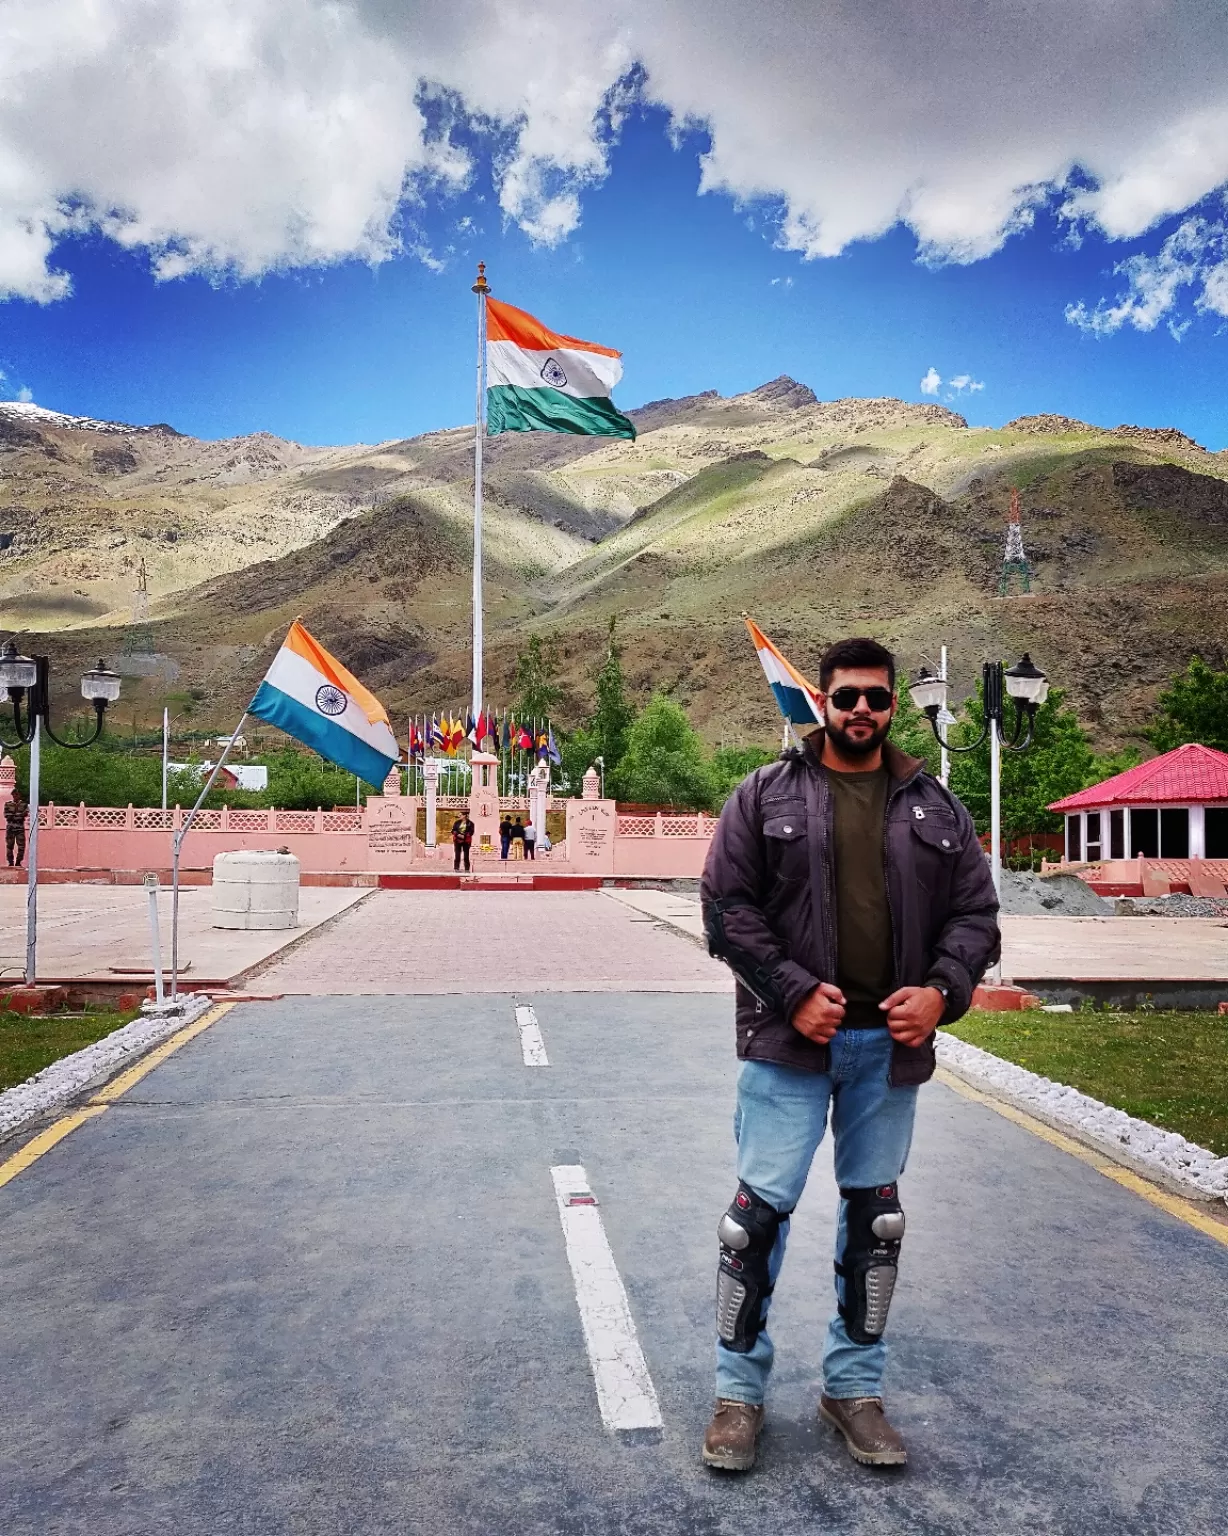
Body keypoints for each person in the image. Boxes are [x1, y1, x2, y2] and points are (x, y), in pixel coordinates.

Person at [699, 636, 1000, 1474]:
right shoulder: (763, 795)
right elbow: (726, 910)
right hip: (788, 1047)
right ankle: (737, 1396)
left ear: (892, 705)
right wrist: (792, 989)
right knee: (751, 1222)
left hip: (887, 1053)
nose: (860, 710)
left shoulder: (935, 806)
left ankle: (853, 1390)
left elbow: (977, 917)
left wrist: (943, 991)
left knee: (877, 1222)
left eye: (875, 697)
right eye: (846, 697)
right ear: (821, 703)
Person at [5, 788, 26, 868]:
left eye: (17, 794)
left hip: (19, 827)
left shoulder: (23, 804)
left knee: (21, 846)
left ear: (19, 795)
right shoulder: (8, 804)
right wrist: (18, 815)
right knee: (10, 846)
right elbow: (7, 816)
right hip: (10, 827)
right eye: (14, 795)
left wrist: (15, 816)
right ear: (12, 795)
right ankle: (10, 862)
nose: (16, 796)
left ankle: (18, 862)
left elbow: (24, 814)